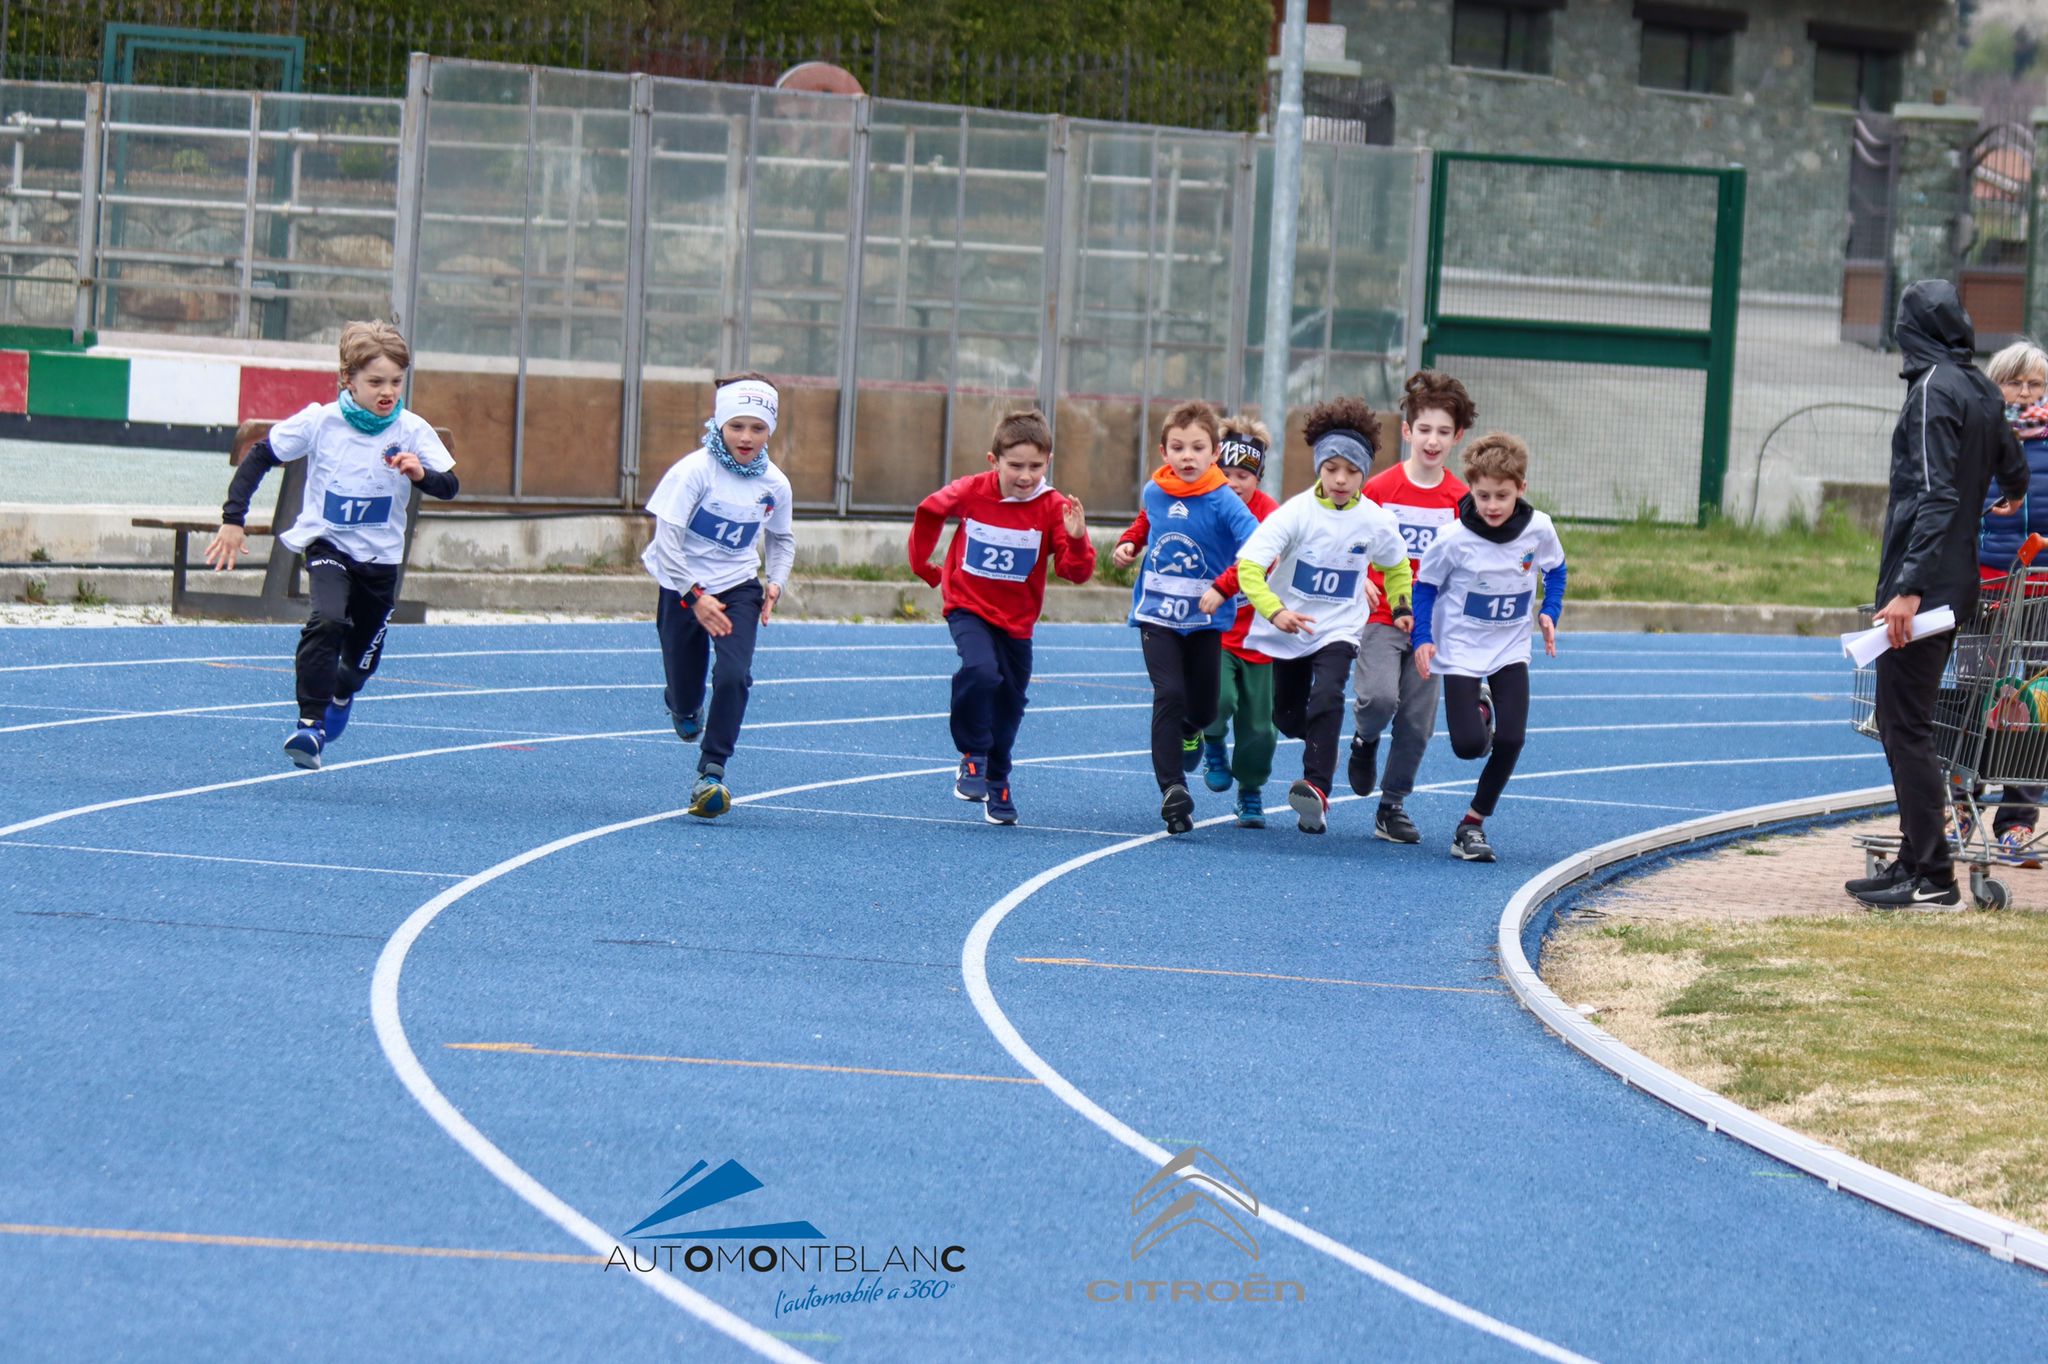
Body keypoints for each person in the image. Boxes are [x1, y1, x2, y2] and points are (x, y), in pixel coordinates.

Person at [203, 320, 458, 771]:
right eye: (375, 382)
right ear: (348, 380)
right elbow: (261, 455)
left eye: (396, 382)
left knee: (357, 667)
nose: (387, 392)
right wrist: (232, 520)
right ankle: (310, 725)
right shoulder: (321, 421)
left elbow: (450, 485)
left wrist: (422, 475)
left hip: (380, 560)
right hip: (328, 545)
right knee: (327, 620)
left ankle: (343, 691)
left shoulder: (412, 430)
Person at [1849, 281, 2027, 909]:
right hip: (1959, 581)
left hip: (1925, 587)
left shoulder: (1931, 389)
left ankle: (1931, 875)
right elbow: (2013, 463)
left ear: (1912, 331)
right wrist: (2012, 489)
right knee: (1907, 722)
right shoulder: (1979, 387)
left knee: (1905, 725)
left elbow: (1934, 494)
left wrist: (1908, 589)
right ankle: (1913, 857)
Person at [908, 408, 1096, 825]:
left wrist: (1078, 539)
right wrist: (925, 567)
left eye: (1035, 466)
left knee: (1010, 706)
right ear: (994, 461)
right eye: (1016, 466)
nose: (1026, 476)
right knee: (980, 670)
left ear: (1048, 462)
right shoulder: (972, 491)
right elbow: (929, 510)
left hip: (1017, 622)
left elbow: (1075, 572)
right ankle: (972, 753)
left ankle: (998, 777)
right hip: (968, 606)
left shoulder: (1054, 507)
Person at [1235, 400, 1411, 834]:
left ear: (1364, 474)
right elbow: (1249, 566)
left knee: (1328, 696)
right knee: (1287, 716)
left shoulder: (1376, 520)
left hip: (1339, 627)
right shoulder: (1296, 512)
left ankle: (1316, 787)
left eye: (1351, 471)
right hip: (1291, 626)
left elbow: (1396, 565)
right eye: (1332, 468)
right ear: (1319, 467)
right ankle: (1317, 740)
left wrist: (1401, 605)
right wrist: (1275, 611)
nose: (1340, 479)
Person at [640, 372, 797, 819]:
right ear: (720, 424)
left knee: (734, 675)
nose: (746, 437)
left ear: (770, 430)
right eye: (737, 426)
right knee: (685, 689)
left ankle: (712, 771)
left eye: (758, 428)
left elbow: (781, 539)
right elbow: (666, 543)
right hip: (682, 586)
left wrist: (775, 581)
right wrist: (694, 596)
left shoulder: (775, 484)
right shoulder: (693, 472)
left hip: (738, 588)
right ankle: (683, 705)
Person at [1115, 415, 1281, 827]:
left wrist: (1224, 587)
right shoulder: (1156, 490)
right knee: (1169, 693)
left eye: (1197, 448)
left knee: (1208, 710)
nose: (1187, 456)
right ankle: (1173, 788)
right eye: (1178, 448)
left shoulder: (1226, 500)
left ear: (1212, 453)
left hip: (1210, 622)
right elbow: (1148, 518)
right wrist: (1129, 542)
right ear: (1164, 452)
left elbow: (1261, 546)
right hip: (1158, 615)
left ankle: (1196, 733)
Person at [1411, 432, 1567, 863]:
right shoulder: (1452, 539)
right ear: (1471, 490)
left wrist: (1549, 611)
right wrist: (1423, 637)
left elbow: (1556, 570)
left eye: (1502, 496)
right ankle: (1481, 707)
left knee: (1512, 738)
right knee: (1466, 745)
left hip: (1510, 647)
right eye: (1483, 496)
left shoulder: (1539, 529)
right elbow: (1424, 586)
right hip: (1461, 647)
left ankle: (1472, 823)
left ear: (1521, 489)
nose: (1493, 505)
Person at [1350, 369, 1475, 845]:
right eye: (1424, 429)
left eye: (1443, 431)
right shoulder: (1379, 490)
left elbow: (1471, 561)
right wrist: (1361, 577)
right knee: (1379, 699)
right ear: (1407, 431)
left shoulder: (1461, 499)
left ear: (1457, 437)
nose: (1432, 440)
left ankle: (1392, 805)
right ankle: (1364, 739)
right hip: (1383, 616)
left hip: (1431, 627)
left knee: (1417, 723)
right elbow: (1347, 540)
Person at [1967, 339, 2048, 868]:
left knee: (2037, 703)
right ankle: (1960, 799)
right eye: (2014, 382)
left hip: (2042, 588)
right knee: (1977, 690)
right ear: (1995, 387)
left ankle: (2018, 822)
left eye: (2034, 383)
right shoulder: (1977, 434)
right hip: (1986, 586)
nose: (2024, 392)